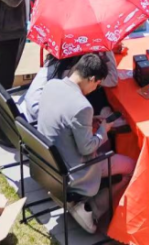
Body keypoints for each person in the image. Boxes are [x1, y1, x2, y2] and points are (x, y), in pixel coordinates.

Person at [37, 54, 136, 235]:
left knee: (106, 146)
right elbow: (87, 148)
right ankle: (91, 209)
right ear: (91, 79)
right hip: (74, 170)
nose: (95, 89)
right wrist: (103, 129)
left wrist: (90, 124)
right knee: (132, 168)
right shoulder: (83, 106)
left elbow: (64, 120)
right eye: (97, 84)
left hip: (47, 161)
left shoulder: (52, 85)